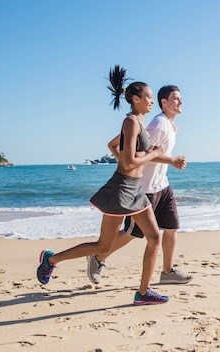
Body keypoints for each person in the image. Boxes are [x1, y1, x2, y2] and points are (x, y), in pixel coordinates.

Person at [36, 65, 168, 305]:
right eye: (149, 97)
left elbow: (115, 149)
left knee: (154, 237)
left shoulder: (138, 122)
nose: (152, 101)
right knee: (103, 245)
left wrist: (146, 156)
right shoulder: (130, 122)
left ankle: (143, 292)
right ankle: (51, 259)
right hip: (120, 191)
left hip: (135, 189)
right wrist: (152, 153)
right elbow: (128, 162)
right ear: (136, 99)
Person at [86, 85, 192, 285]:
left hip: (163, 186)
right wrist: (171, 161)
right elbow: (142, 154)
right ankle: (98, 257)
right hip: (145, 189)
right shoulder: (158, 124)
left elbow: (133, 148)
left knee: (171, 227)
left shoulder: (170, 124)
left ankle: (168, 272)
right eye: (176, 99)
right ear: (164, 102)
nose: (181, 102)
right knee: (132, 233)